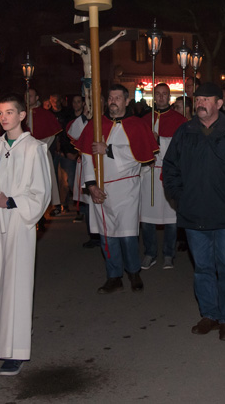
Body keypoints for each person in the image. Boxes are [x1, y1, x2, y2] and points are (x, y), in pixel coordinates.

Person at [163, 82, 225, 341]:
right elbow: (169, 167)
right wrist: (181, 197)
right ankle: (209, 314)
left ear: (219, 103)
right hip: (194, 214)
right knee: (203, 268)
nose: (201, 103)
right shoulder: (185, 132)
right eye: (198, 99)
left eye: (207, 99)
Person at [0, 94, 52, 376]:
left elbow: (42, 192)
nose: (3, 118)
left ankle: (16, 350)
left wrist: (11, 201)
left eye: (9, 112)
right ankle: (1, 339)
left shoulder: (35, 148)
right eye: (0, 113)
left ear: (22, 115)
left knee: (17, 283)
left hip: (19, 222)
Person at [76, 84, 158, 294]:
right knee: (107, 235)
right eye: (110, 98)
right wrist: (91, 185)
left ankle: (133, 272)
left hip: (127, 188)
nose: (113, 101)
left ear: (127, 101)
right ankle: (114, 276)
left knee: (128, 234)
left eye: (118, 98)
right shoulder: (96, 125)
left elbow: (141, 156)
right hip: (100, 188)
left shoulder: (137, 125)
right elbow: (86, 156)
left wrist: (109, 150)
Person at [139, 83, 187, 270]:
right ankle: (150, 253)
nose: (160, 97)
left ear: (169, 97)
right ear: (153, 96)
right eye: (157, 94)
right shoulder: (144, 119)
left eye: (164, 94)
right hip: (148, 173)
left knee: (170, 216)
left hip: (169, 174)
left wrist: (160, 141)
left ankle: (168, 253)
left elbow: (181, 147)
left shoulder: (179, 120)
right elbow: (135, 147)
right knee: (147, 215)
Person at [25, 88, 62, 219]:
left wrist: (38, 146)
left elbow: (51, 135)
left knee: (45, 182)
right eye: (26, 96)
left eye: (30, 96)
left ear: (37, 98)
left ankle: (48, 209)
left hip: (41, 152)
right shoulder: (21, 113)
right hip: (24, 155)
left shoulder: (45, 114)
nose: (28, 98)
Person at [66, 97, 98, 247]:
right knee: (90, 203)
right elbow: (73, 133)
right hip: (87, 164)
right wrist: (84, 116)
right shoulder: (84, 121)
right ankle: (93, 235)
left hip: (107, 166)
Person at [48, 92, 75, 214]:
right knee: (53, 178)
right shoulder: (48, 115)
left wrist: (66, 149)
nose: (55, 103)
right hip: (52, 150)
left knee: (67, 179)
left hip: (65, 150)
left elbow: (68, 132)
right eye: (53, 100)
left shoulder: (67, 113)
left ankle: (65, 202)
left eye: (57, 100)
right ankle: (57, 205)